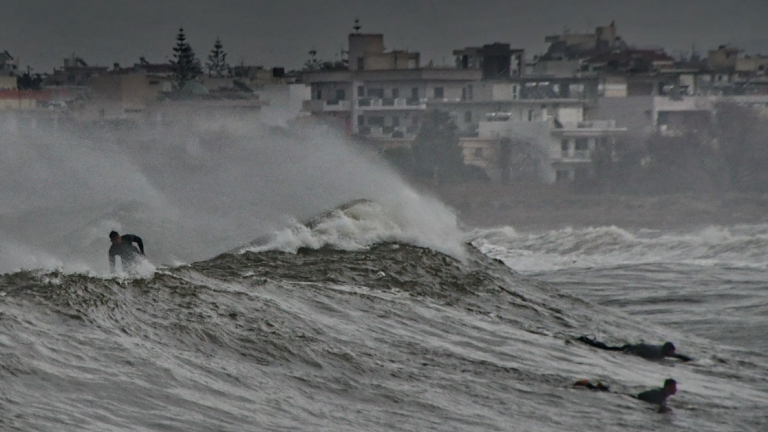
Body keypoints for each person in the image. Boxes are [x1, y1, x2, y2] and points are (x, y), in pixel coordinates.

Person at [577, 336, 693, 362]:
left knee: (610, 348)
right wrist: (629, 353)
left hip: (636, 346)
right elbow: (641, 352)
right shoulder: (656, 352)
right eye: (671, 352)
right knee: (608, 349)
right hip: (634, 348)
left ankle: (588, 340)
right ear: (667, 350)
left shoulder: (663, 352)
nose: (672, 354)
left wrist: (690, 360)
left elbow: (679, 356)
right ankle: (586, 340)